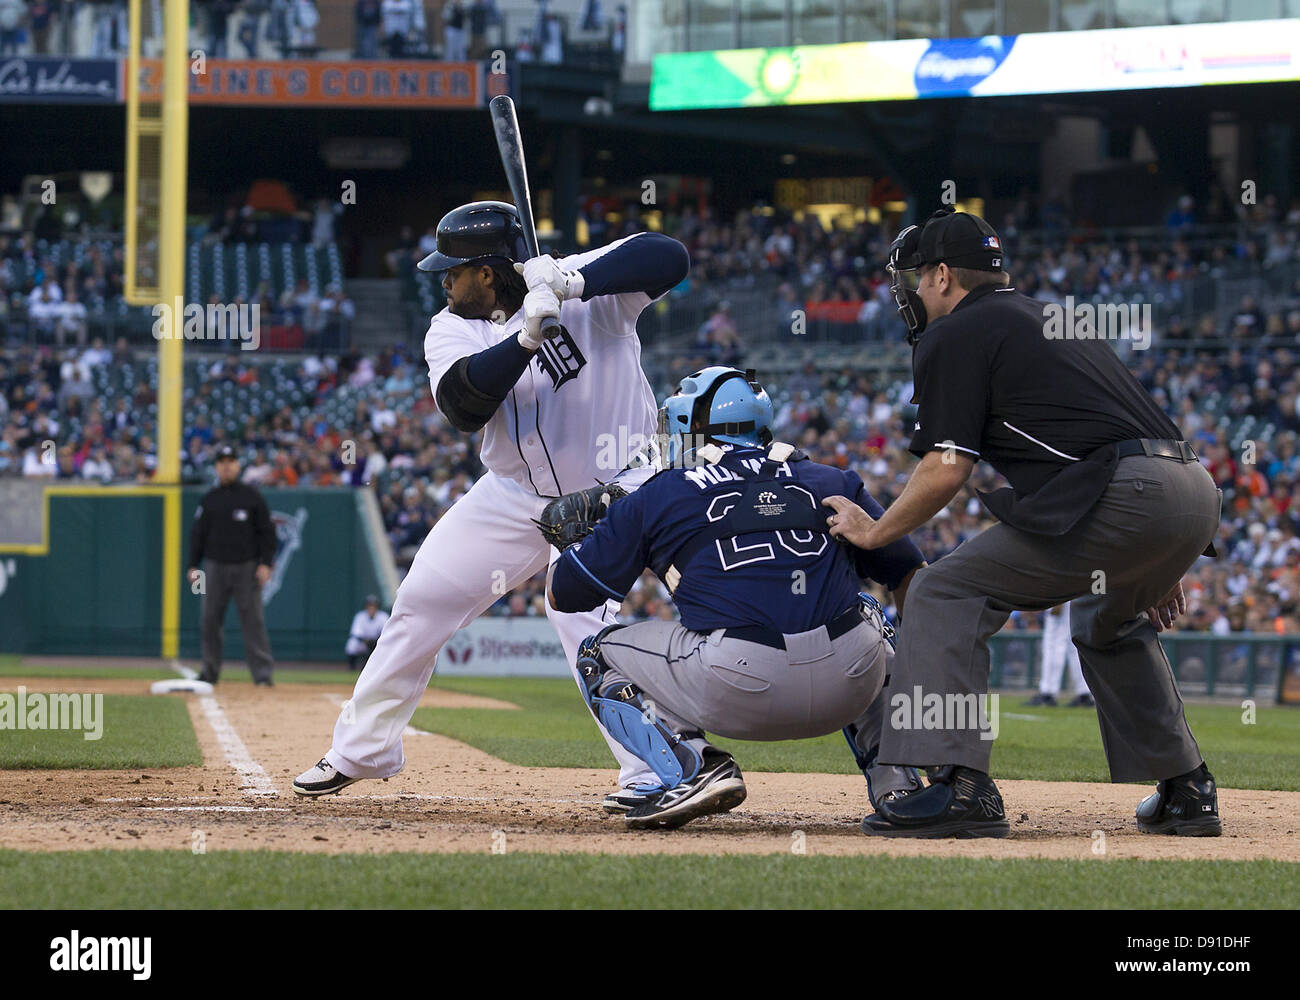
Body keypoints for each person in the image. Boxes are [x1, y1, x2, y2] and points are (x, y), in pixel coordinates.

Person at [826, 207, 1223, 838]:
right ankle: (1187, 790)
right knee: (1107, 620)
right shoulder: (1050, 316)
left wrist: (875, 532)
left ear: (943, 276)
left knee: (943, 589)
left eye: (914, 280)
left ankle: (963, 788)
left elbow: (947, 467)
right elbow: (1133, 427)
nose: (911, 294)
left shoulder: (954, 332)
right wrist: (1162, 554)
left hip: (1129, 496)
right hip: (1189, 489)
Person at [292, 200, 691, 800]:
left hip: (613, 491)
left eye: (452, 271)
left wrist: (572, 281)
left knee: (577, 614)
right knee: (422, 598)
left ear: (486, 272)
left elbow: (669, 257)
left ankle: (654, 769)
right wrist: (526, 336)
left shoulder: (578, 282)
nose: (443, 282)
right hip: (514, 495)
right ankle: (363, 749)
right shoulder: (449, 327)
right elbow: (462, 405)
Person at [544, 367, 926, 827]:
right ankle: (898, 782)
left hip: (737, 686)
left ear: (691, 425)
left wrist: (588, 536)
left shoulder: (663, 490)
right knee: (867, 613)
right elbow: (910, 574)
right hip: (849, 680)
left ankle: (697, 765)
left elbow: (566, 593)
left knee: (595, 654)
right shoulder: (831, 480)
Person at [188, 445, 278, 687]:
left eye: (230, 460)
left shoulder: (252, 497)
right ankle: (209, 672)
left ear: (238, 465)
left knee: (253, 622)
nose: (226, 465)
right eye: (222, 461)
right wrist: (193, 565)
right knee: (209, 620)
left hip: (246, 568)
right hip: (214, 567)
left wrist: (265, 564)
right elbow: (197, 535)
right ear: (217, 467)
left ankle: (262, 674)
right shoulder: (209, 499)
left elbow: (267, 534)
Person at [1027, 603, 1094, 707]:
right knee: (1073, 645)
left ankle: (1048, 692)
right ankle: (1084, 693)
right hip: (1077, 597)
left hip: (1063, 595)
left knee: (1054, 644)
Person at [345, 596, 389, 670]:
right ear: (366, 607)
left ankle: (383, 668)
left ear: (377, 607)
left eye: (374, 606)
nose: (371, 608)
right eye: (369, 605)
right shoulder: (360, 616)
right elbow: (356, 633)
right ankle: (352, 667)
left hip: (378, 642)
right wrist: (366, 641)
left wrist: (375, 641)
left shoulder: (383, 616)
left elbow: (386, 633)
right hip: (363, 642)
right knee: (352, 644)